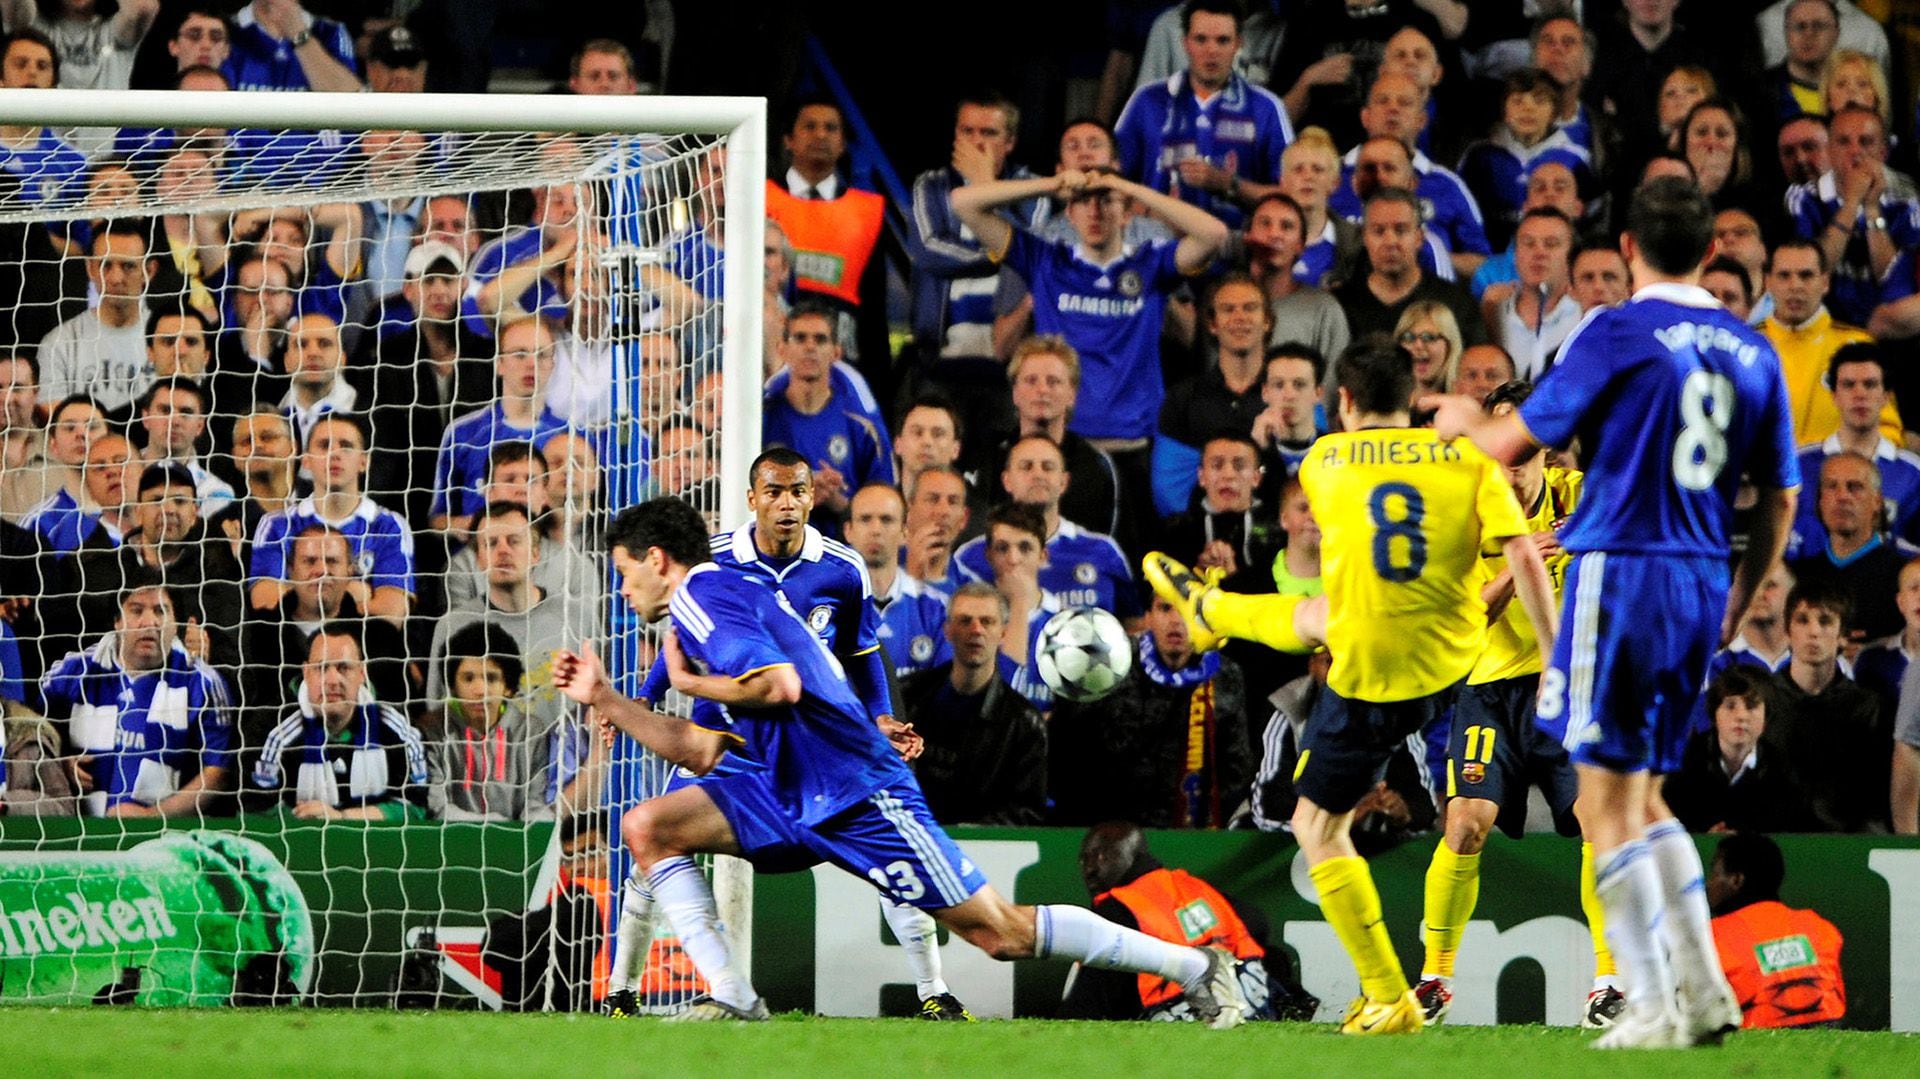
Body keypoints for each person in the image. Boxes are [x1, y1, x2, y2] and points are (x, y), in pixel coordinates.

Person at [553, 497, 1252, 1025]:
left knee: (1000, 933)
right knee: (649, 825)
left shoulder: (702, 597)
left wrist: (690, 681)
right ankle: (733, 997)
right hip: (792, 790)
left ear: (656, 559)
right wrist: (609, 698)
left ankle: (1196, 965)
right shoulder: (718, 602)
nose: (621, 589)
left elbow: (780, 685)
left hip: (859, 792)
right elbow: (699, 748)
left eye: (622, 572)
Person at [1427, 177, 1800, 1048]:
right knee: (1643, 795)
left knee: (1604, 804)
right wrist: (1738, 604)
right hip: (1701, 582)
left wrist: (1455, 419)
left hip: (1618, 574)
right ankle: (1700, 990)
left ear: (1628, 249)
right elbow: (1781, 497)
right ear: (1712, 252)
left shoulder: (1616, 329)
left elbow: (1514, 438)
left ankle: (1644, 998)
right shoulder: (1752, 350)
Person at [1148, 338, 1558, 1035]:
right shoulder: (1469, 462)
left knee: (1315, 823)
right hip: (1457, 661)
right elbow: (1523, 553)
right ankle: (1212, 612)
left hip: (1373, 671)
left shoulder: (1325, 461)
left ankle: (1387, 994)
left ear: (1343, 401)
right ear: (1414, 395)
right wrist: (1555, 664)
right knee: (1320, 614)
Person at [1413, 380, 1622, 1030]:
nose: (1512, 471)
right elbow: (1463, 616)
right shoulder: (1461, 514)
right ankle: (1434, 978)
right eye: (1501, 456)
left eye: (1524, 456)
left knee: (1599, 822)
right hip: (1490, 690)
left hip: (1571, 687)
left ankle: (1609, 983)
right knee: (1466, 821)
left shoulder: (1584, 494)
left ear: (1546, 452)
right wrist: (1517, 563)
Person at [951, 165, 1228, 518]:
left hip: (1134, 446)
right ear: (1069, 211)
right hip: (1063, 449)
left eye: (1107, 201)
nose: (1095, 211)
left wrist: (1128, 185)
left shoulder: (1150, 264)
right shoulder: (1046, 261)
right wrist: (1053, 183)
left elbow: (1214, 233)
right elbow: (963, 203)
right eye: (1084, 201)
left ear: (1127, 212)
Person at [1060, 821, 1315, 1023]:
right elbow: (1258, 924)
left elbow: (1088, 1005)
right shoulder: (1194, 886)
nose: (1089, 869)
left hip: (1184, 1018)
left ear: (1133, 856)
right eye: (1084, 860)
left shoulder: (1117, 908)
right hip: (1252, 1006)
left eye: (1102, 856)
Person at [1049, 594, 1250, 830]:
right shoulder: (1112, 664)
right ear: (1148, 617)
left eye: (1186, 610)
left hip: (1188, 829)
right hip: (1106, 826)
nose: (1176, 620)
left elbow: (1236, 767)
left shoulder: (1224, 675)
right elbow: (1069, 749)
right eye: (1165, 608)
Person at [39, 577, 233, 817]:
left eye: (160, 612)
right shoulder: (73, 672)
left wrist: (151, 817)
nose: (149, 622)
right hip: (78, 830)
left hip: (164, 835)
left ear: (176, 624)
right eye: (137, 610)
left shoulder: (202, 682)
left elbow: (217, 773)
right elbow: (30, 735)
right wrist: (59, 766)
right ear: (117, 621)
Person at [1114, 0, 1292, 230]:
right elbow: (1116, 184)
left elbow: (1288, 197)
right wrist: (1154, 214)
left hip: (1236, 250)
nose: (1211, 50)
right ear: (1185, 42)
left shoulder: (1266, 107)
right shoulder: (1146, 101)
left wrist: (1228, 184)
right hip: (1156, 249)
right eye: (1201, 39)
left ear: (1239, 43)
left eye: (1222, 40)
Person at [909, 92, 1047, 366]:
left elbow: (1030, 255)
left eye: (988, 132)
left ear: (1009, 143)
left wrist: (985, 187)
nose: (976, 141)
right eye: (967, 131)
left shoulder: (1033, 189)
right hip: (941, 353)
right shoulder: (931, 186)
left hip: (1012, 356)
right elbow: (928, 251)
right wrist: (997, 255)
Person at [764, 97, 892, 380]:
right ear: (788, 139)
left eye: (831, 128)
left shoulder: (867, 212)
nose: (820, 135)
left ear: (843, 143)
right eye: (810, 126)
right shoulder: (758, 199)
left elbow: (875, 310)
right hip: (770, 355)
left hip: (842, 362)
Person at [898, 582, 1046, 827]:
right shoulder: (906, 697)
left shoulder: (1024, 724)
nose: (976, 630)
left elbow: (1027, 811)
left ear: (1003, 633)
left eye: (987, 621)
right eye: (965, 621)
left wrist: (976, 832)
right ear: (948, 630)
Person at [247, 622, 428, 819]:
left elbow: (416, 807)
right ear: (306, 673)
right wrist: (308, 821)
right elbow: (255, 811)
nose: (332, 680)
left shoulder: (397, 729)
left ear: (361, 673)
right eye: (322, 668)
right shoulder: (270, 730)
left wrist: (342, 817)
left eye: (344, 668)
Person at [954, 435, 1139, 626]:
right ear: (1006, 480)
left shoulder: (1103, 551)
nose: (1038, 474)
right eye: (1026, 466)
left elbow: (1134, 624)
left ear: (1064, 482)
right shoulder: (971, 558)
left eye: (1048, 467)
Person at [249, 413, 413, 627]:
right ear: (306, 460)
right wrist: (352, 590)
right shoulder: (276, 525)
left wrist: (301, 590)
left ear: (364, 461)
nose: (334, 454)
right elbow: (265, 602)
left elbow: (390, 616)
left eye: (345, 446)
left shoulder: (389, 526)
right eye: (324, 445)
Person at [432, 316, 576, 533]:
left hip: (548, 559)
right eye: (520, 354)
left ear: (552, 364)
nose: (531, 364)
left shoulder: (572, 436)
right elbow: (437, 520)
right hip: (476, 560)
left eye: (541, 355)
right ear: (499, 364)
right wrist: (477, 527)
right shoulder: (463, 433)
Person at [762, 304, 895, 535]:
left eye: (820, 339)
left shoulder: (862, 425)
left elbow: (884, 503)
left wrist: (838, 501)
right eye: (800, 338)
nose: (810, 347)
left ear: (836, 352)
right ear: (782, 349)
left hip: (842, 550)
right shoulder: (763, 418)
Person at [1787, 106, 1920, 326]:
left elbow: (1894, 284)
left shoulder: (1909, 198)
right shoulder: (1803, 197)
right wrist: (1851, 204)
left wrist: (1871, 208)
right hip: (1824, 327)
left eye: (1866, 142)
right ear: (1829, 149)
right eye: (1844, 142)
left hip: (1889, 331)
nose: (1855, 151)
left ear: (1883, 152)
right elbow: (1812, 273)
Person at [1773, 580, 1889, 832]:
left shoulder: (1869, 708)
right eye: (1802, 620)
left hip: (1847, 843)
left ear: (1843, 636)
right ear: (1787, 631)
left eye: (1825, 621)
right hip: (1773, 840)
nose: (1813, 631)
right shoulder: (1762, 701)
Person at [1154, 274, 1272, 515]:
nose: (1240, 318)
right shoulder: (1182, 399)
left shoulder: (1295, 395)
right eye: (1228, 309)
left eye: (1250, 308)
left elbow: (1308, 480)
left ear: (1267, 320)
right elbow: (1169, 491)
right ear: (1212, 324)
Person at [428, 622, 568, 822]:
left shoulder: (530, 731)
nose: (479, 690)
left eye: (491, 679)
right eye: (468, 679)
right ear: (452, 686)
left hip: (518, 844)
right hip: (453, 840)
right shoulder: (435, 730)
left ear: (508, 687)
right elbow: (438, 807)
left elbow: (537, 804)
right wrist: (493, 824)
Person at [1706, 832, 1848, 1028]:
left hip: (1757, 1039)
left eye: (1714, 873)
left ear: (1736, 880)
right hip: (1832, 1032)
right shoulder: (1819, 927)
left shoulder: (1711, 935)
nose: (1709, 883)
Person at [1759, 240, 1893, 446]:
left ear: (1825, 282)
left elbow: (1888, 431)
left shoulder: (1857, 345)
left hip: (1837, 475)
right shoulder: (1748, 346)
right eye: (1784, 276)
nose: (1795, 286)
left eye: (1806, 275)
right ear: (1767, 282)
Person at [1790, 343, 1920, 556]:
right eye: (1849, 385)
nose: (1859, 394)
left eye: (1869, 384)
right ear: (1834, 395)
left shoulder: (1913, 473)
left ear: (1886, 396)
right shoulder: (1798, 465)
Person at [992, 336, 1120, 538]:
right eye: (1031, 380)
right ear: (1015, 393)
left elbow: (1104, 542)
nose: (1042, 390)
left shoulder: (1095, 466)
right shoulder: (990, 457)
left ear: (1072, 395)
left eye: (1053, 381)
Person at [1662, 667, 1815, 834]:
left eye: (1751, 706)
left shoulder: (1786, 772)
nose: (1741, 716)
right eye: (1730, 706)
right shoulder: (1680, 764)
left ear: (1766, 717)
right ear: (1715, 714)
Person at [1457, 69, 1594, 254]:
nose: (1528, 109)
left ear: (1554, 112)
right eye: (1517, 101)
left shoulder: (1575, 158)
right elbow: (1463, 214)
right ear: (1504, 111)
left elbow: (1590, 217)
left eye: (1539, 101)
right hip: (1491, 258)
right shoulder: (1480, 156)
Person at [1334, 187, 1485, 347]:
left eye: (1401, 230)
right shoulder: (1339, 306)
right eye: (1379, 231)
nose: (1390, 242)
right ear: (1364, 238)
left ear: (1419, 238)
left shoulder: (1456, 304)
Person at [1788, 453, 1915, 641]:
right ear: (1821, 502)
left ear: (1877, 502)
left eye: (1854, 487)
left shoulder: (1905, 577)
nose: (1842, 496)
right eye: (1831, 486)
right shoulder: (1795, 578)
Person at [37, 217, 156, 414]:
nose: (116, 278)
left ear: (149, 271)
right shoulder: (58, 344)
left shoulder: (171, 337)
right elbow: (55, 423)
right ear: (90, 269)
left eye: (128, 266)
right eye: (106, 266)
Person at [846, 483, 950, 681]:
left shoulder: (937, 609)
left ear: (905, 533)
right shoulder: (826, 607)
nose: (876, 530)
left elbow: (944, 689)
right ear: (848, 531)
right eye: (865, 519)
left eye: (886, 520)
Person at [1155, 435, 1274, 592]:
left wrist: (1232, 577)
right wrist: (1194, 573)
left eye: (1239, 466)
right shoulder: (1177, 532)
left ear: (1256, 478)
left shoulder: (1277, 532)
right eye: (1217, 466)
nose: (1228, 475)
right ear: (1202, 477)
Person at [1242, 193, 1350, 359]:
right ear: (1248, 236)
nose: (1274, 234)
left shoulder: (1324, 310)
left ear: (1301, 245)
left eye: (1286, 226)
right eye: (1265, 223)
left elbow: (1333, 380)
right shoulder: (1223, 301)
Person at [1489, 209, 1582, 381]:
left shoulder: (1583, 316)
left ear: (1571, 256)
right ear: (1515, 254)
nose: (1539, 253)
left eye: (1551, 244)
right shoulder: (1494, 310)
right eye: (1529, 243)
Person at [222, 0, 358, 93]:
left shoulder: (330, 31)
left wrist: (299, 34)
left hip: (310, 135)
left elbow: (351, 98)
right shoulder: (222, 30)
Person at [1248, 344, 1322, 491]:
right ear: (1265, 392)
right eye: (1279, 385)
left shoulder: (1336, 451)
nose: (1289, 395)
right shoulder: (1245, 453)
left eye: (1299, 385)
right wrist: (1258, 452)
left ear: (1318, 393)